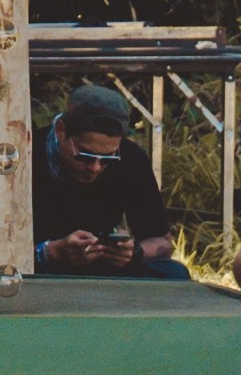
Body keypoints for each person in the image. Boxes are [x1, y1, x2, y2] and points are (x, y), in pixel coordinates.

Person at [34, 69, 186, 277]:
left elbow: (162, 242)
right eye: (85, 155)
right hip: (40, 268)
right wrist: (53, 251)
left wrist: (133, 251)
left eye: (108, 159)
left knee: (175, 273)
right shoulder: (29, 155)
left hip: (103, 268)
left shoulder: (132, 159)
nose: (95, 167)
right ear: (61, 131)